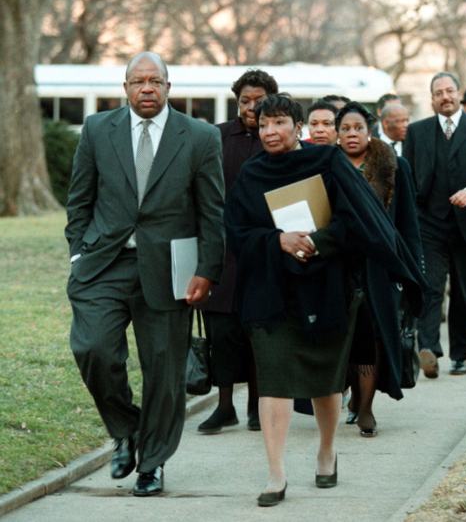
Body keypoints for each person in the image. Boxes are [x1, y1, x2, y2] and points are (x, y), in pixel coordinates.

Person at [225, 94, 423, 506]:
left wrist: (318, 241)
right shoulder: (250, 174)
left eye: (279, 123)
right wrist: (278, 240)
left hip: (327, 285)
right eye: (263, 125)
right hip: (272, 292)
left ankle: (327, 451)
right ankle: (275, 475)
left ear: (298, 127)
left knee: (325, 380)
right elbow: (238, 233)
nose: (270, 132)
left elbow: (359, 221)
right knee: (275, 381)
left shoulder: (327, 164)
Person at [65, 52, 225, 496]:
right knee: (93, 347)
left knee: (163, 370)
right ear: (126, 88)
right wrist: (78, 252)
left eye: (156, 81)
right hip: (104, 264)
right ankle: (127, 429)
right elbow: (79, 198)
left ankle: (152, 463)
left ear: (169, 87)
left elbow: (212, 211)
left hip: (171, 269)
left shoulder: (199, 137)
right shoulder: (99, 130)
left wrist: (207, 270)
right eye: (138, 81)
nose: (147, 89)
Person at [197, 69, 279, 434]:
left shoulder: (277, 138)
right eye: (244, 101)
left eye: (258, 101)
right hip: (221, 247)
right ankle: (224, 405)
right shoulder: (215, 137)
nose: (250, 107)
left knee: (257, 329)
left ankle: (255, 408)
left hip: (263, 248)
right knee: (222, 331)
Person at [403, 71, 466, 377]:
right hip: (428, 222)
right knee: (430, 287)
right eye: (438, 93)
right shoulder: (417, 132)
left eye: (449, 91)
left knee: (465, 292)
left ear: (459, 94)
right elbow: (407, 178)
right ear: (432, 99)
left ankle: (461, 354)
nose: (444, 96)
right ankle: (428, 349)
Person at [336, 102, 422, 437]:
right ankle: (355, 398)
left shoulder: (393, 166)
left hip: (380, 267)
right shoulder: (326, 166)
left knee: (373, 336)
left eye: (358, 128)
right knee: (344, 338)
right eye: (345, 129)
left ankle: (367, 407)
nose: (352, 134)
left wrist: (412, 269)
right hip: (338, 265)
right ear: (337, 133)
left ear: (370, 131)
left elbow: (407, 223)